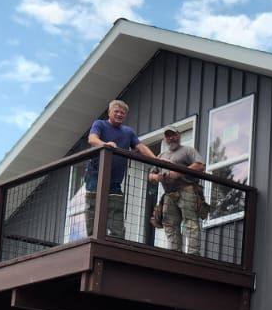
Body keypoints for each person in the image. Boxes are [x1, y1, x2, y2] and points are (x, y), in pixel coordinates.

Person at [84, 99, 141, 240]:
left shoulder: (128, 132)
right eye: (116, 111)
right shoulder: (100, 124)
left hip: (115, 180)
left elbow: (140, 147)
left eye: (122, 113)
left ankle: (117, 240)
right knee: (94, 206)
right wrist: (106, 144)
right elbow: (92, 139)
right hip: (95, 174)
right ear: (109, 112)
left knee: (116, 208)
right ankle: (93, 238)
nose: (119, 114)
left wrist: (157, 159)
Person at [146, 126, 207, 255]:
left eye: (173, 135)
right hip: (169, 194)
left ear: (179, 135)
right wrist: (158, 177)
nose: (171, 138)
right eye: (168, 136)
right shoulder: (161, 156)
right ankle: (174, 252)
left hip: (187, 189)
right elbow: (150, 176)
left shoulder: (187, 150)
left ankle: (193, 253)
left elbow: (200, 165)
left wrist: (178, 173)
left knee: (190, 221)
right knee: (169, 223)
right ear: (165, 138)